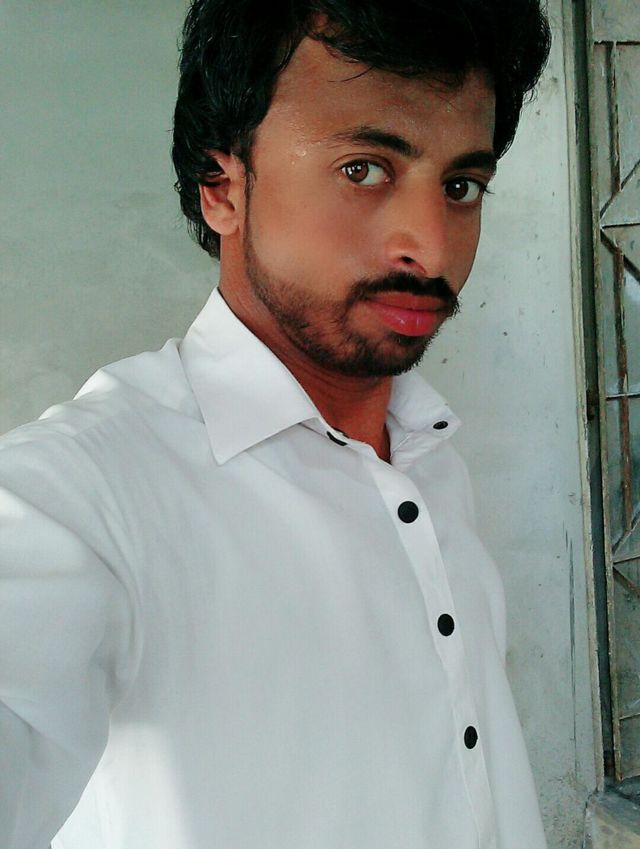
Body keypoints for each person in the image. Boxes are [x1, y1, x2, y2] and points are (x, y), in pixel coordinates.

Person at [0, 1, 551, 847]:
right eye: (363, 169)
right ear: (222, 186)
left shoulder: (430, 452)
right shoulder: (85, 496)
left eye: (460, 186)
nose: (432, 248)